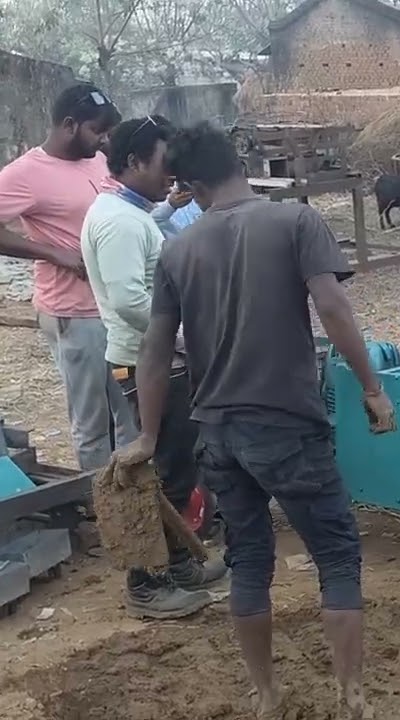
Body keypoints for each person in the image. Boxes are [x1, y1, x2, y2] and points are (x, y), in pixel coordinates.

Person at [114, 122, 397, 719]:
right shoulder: (295, 221)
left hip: (217, 434)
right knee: (338, 555)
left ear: (190, 184)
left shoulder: (178, 250)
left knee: (249, 559)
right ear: (239, 160)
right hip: (288, 427)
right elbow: (332, 305)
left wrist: (146, 434)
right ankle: (351, 696)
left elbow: (157, 350)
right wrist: (372, 388)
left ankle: (266, 695)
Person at [82, 115, 228, 619]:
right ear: (133, 162)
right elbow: (128, 300)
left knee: (177, 463)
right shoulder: (119, 222)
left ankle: (177, 561)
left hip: (157, 358)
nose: (173, 172)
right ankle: (146, 581)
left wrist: (166, 209)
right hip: (147, 362)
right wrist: (185, 335)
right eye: (164, 164)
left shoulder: (129, 212)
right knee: (161, 470)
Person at [0, 82, 137, 471]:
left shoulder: (95, 159)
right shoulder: (25, 174)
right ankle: (102, 506)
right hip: (75, 315)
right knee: (93, 420)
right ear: (68, 124)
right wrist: (54, 254)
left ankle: (138, 503)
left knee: (130, 411)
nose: (103, 139)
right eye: (96, 130)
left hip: (113, 308)